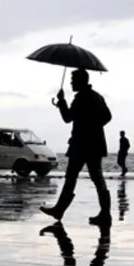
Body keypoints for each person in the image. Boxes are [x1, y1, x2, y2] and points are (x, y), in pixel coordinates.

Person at [40, 69, 113, 225]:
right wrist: (94, 127)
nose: (71, 83)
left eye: (73, 80)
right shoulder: (97, 97)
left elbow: (67, 118)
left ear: (80, 81)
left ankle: (59, 210)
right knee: (98, 178)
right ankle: (105, 214)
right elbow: (107, 117)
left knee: (71, 177)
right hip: (95, 145)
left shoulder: (80, 98)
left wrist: (61, 101)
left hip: (80, 145)